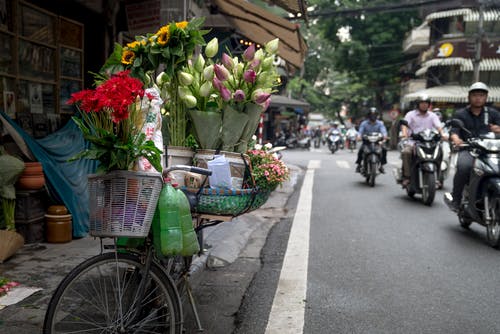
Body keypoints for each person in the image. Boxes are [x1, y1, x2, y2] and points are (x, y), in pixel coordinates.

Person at [445, 82, 500, 211]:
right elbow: (454, 131)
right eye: (475, 95)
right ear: (469, 97)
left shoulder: (493, 113)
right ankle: (457, 199)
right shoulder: (461, 114)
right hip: (470, 150)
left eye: (481, 95)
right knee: (464, 167)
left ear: (486, 97)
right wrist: (456, 139)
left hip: (491, 151)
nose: (478, 98)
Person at [399, 94, 444, 186]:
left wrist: (443, 134)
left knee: (440, 151)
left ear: (429, 105)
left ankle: (438, 177)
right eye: (422, 103)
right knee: (406, 152)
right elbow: (404, 125)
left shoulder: (432, 115)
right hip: (413, 142)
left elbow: (438, 126)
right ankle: (407, 176)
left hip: (429, 142)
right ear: (418, 104)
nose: (424, 105)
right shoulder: (410, 114)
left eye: (426, 103)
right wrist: (404, 133)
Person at [355, 107, 388, 173]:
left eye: (374, 115)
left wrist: (385, 136)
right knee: (361, 150)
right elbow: (360, 132)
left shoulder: (380, 123)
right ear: (368, 115)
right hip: (366, 142)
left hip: (377, 142)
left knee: (384, 149)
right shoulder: (364, 123)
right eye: (371, 115)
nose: (373, 116)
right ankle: (359, 165)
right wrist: (359, 136)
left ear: (377, 115)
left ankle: (381, 165)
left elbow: (383, 131)